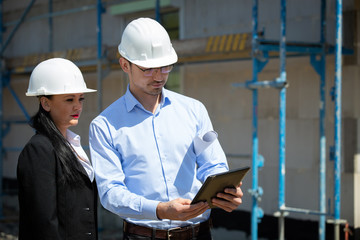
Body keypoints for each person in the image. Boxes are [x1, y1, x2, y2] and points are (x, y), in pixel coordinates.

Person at [89, 17, 243, 240]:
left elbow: (212, 163)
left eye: (165, 67)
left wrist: (224, 190)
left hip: (199, 234)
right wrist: (159, 210)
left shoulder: (194, 110)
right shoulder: (105, 126)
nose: (159, 76)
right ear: (125, 65)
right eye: (148, 69)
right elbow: (110, 193)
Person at [17, 58, 98, 239]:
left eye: (80, 98)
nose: (78, 106)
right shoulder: (39, 150)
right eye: (69, 99)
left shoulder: (71, 144)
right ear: (46, 103)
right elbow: (43, 222)